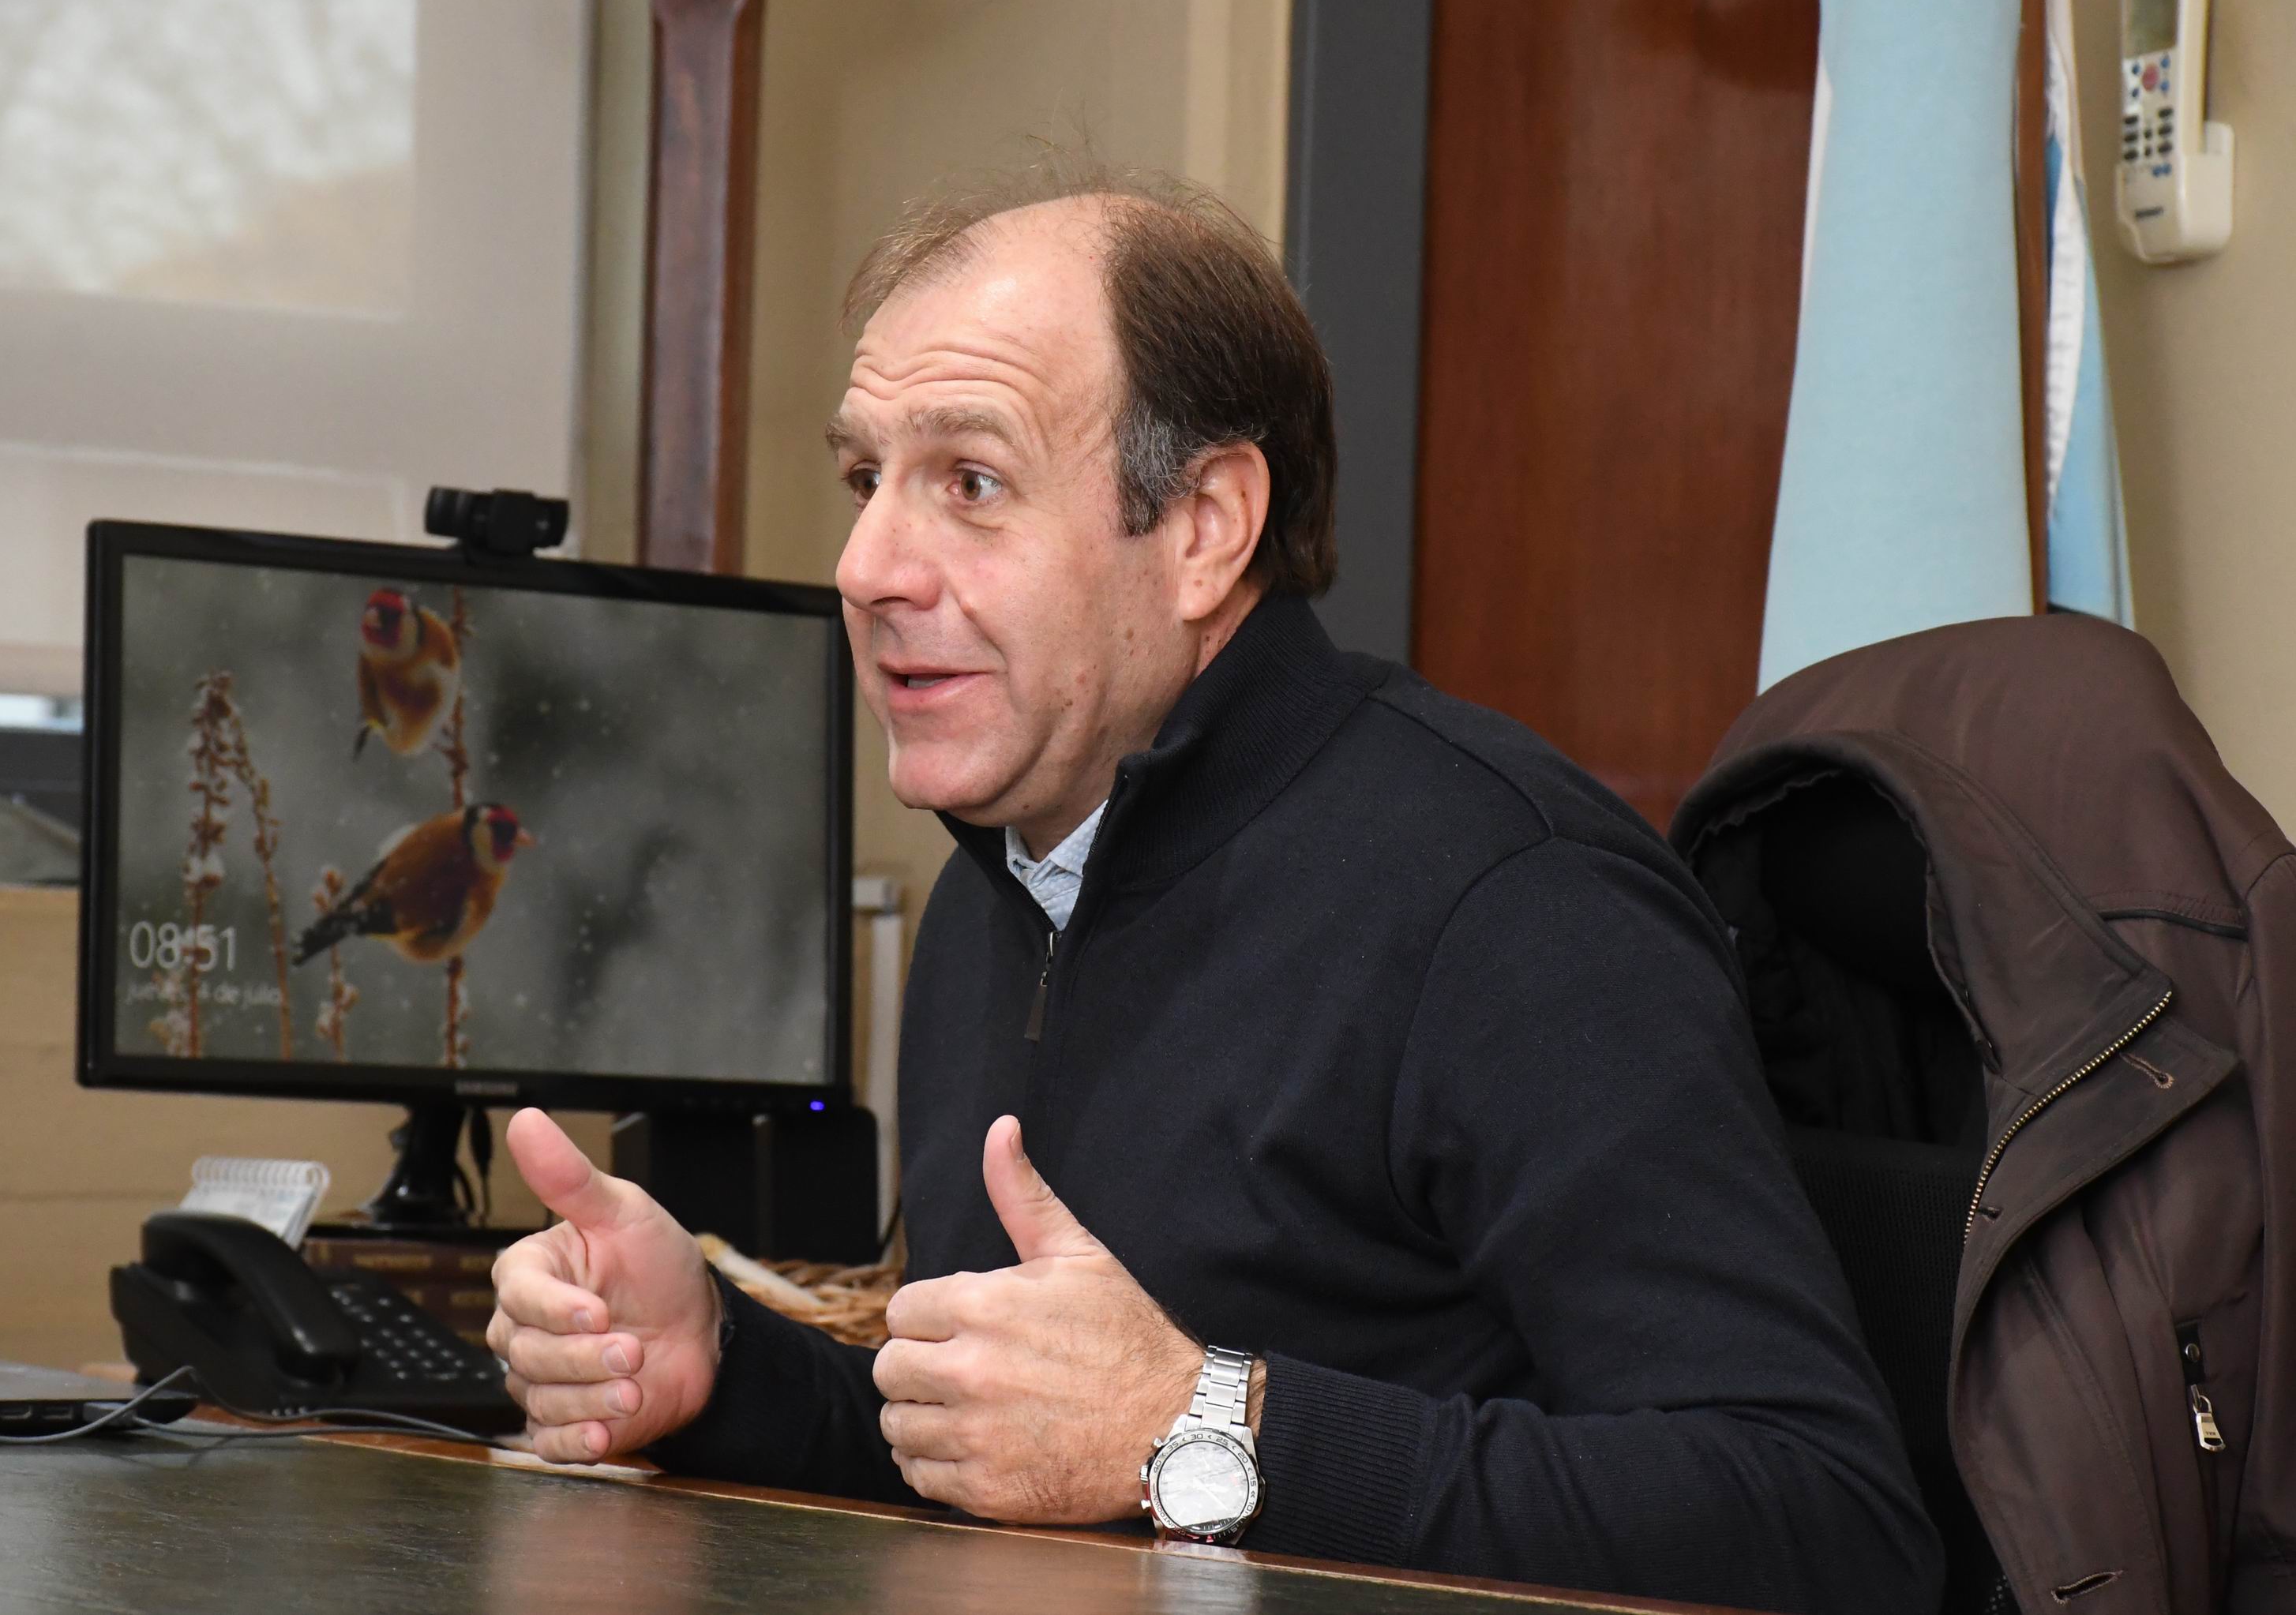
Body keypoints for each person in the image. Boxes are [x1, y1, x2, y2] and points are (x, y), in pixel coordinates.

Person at [485, 163, 1941, 1614]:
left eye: (970, 483)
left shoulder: (1517, 903)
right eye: (868, 480)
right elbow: (1027, 1460)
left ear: (1203, 528)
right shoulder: (1005, 879)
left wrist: (1201, 1430)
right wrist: (717, 1366)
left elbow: (1823, 1525)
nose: (866, 568)